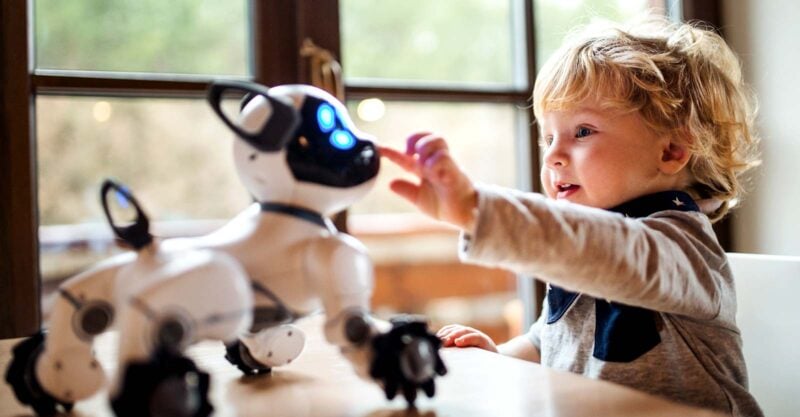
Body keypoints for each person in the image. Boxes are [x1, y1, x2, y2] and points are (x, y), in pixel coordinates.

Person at [379, 17, 762, 417]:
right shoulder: (588, 248)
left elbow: (609, 253)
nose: (552, 155)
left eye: (582, 131)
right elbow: (550, 341)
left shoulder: (683, 248)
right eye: (548, 137)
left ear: (670, 151)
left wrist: (478, 209)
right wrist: (499, 354)